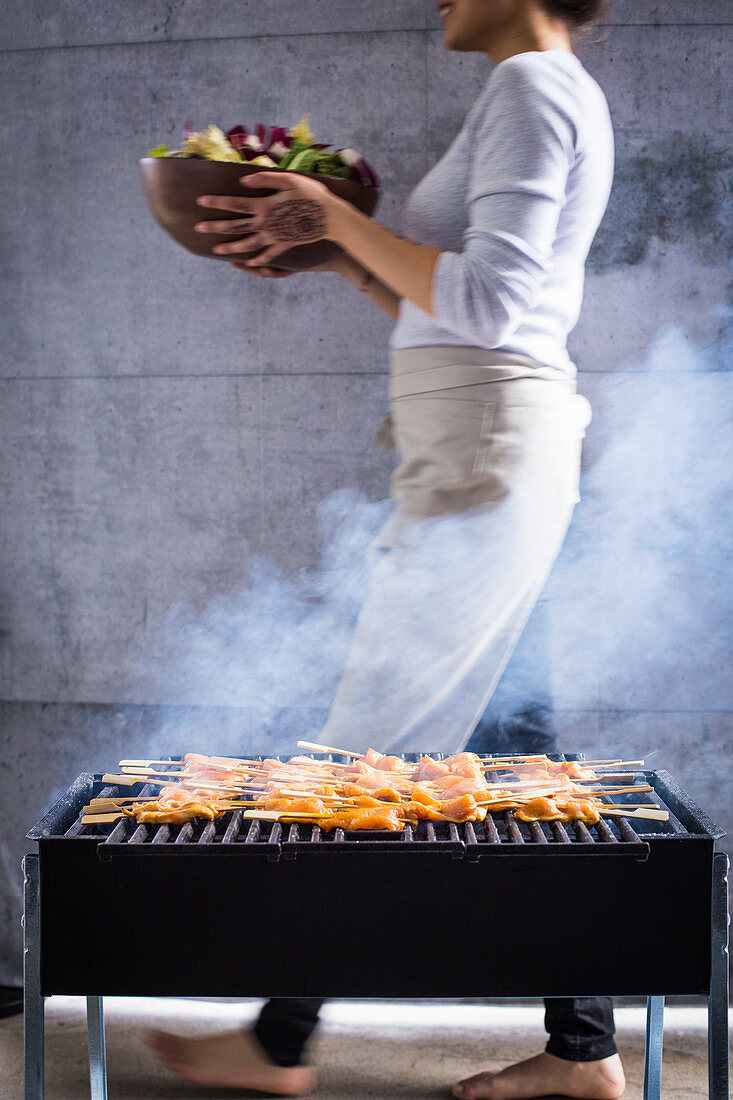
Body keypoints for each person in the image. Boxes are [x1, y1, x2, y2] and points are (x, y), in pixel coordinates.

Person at [149, 0, 624, 1096]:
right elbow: (455, 303)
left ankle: (279, 1041)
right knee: (515, 750)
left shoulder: (532, 89)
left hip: (483, 454)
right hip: (485, 442)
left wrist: (337, 214)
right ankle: (583, 1051)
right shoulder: (538, 91)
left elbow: (495, 301)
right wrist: (336, 256)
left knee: (368, 745)